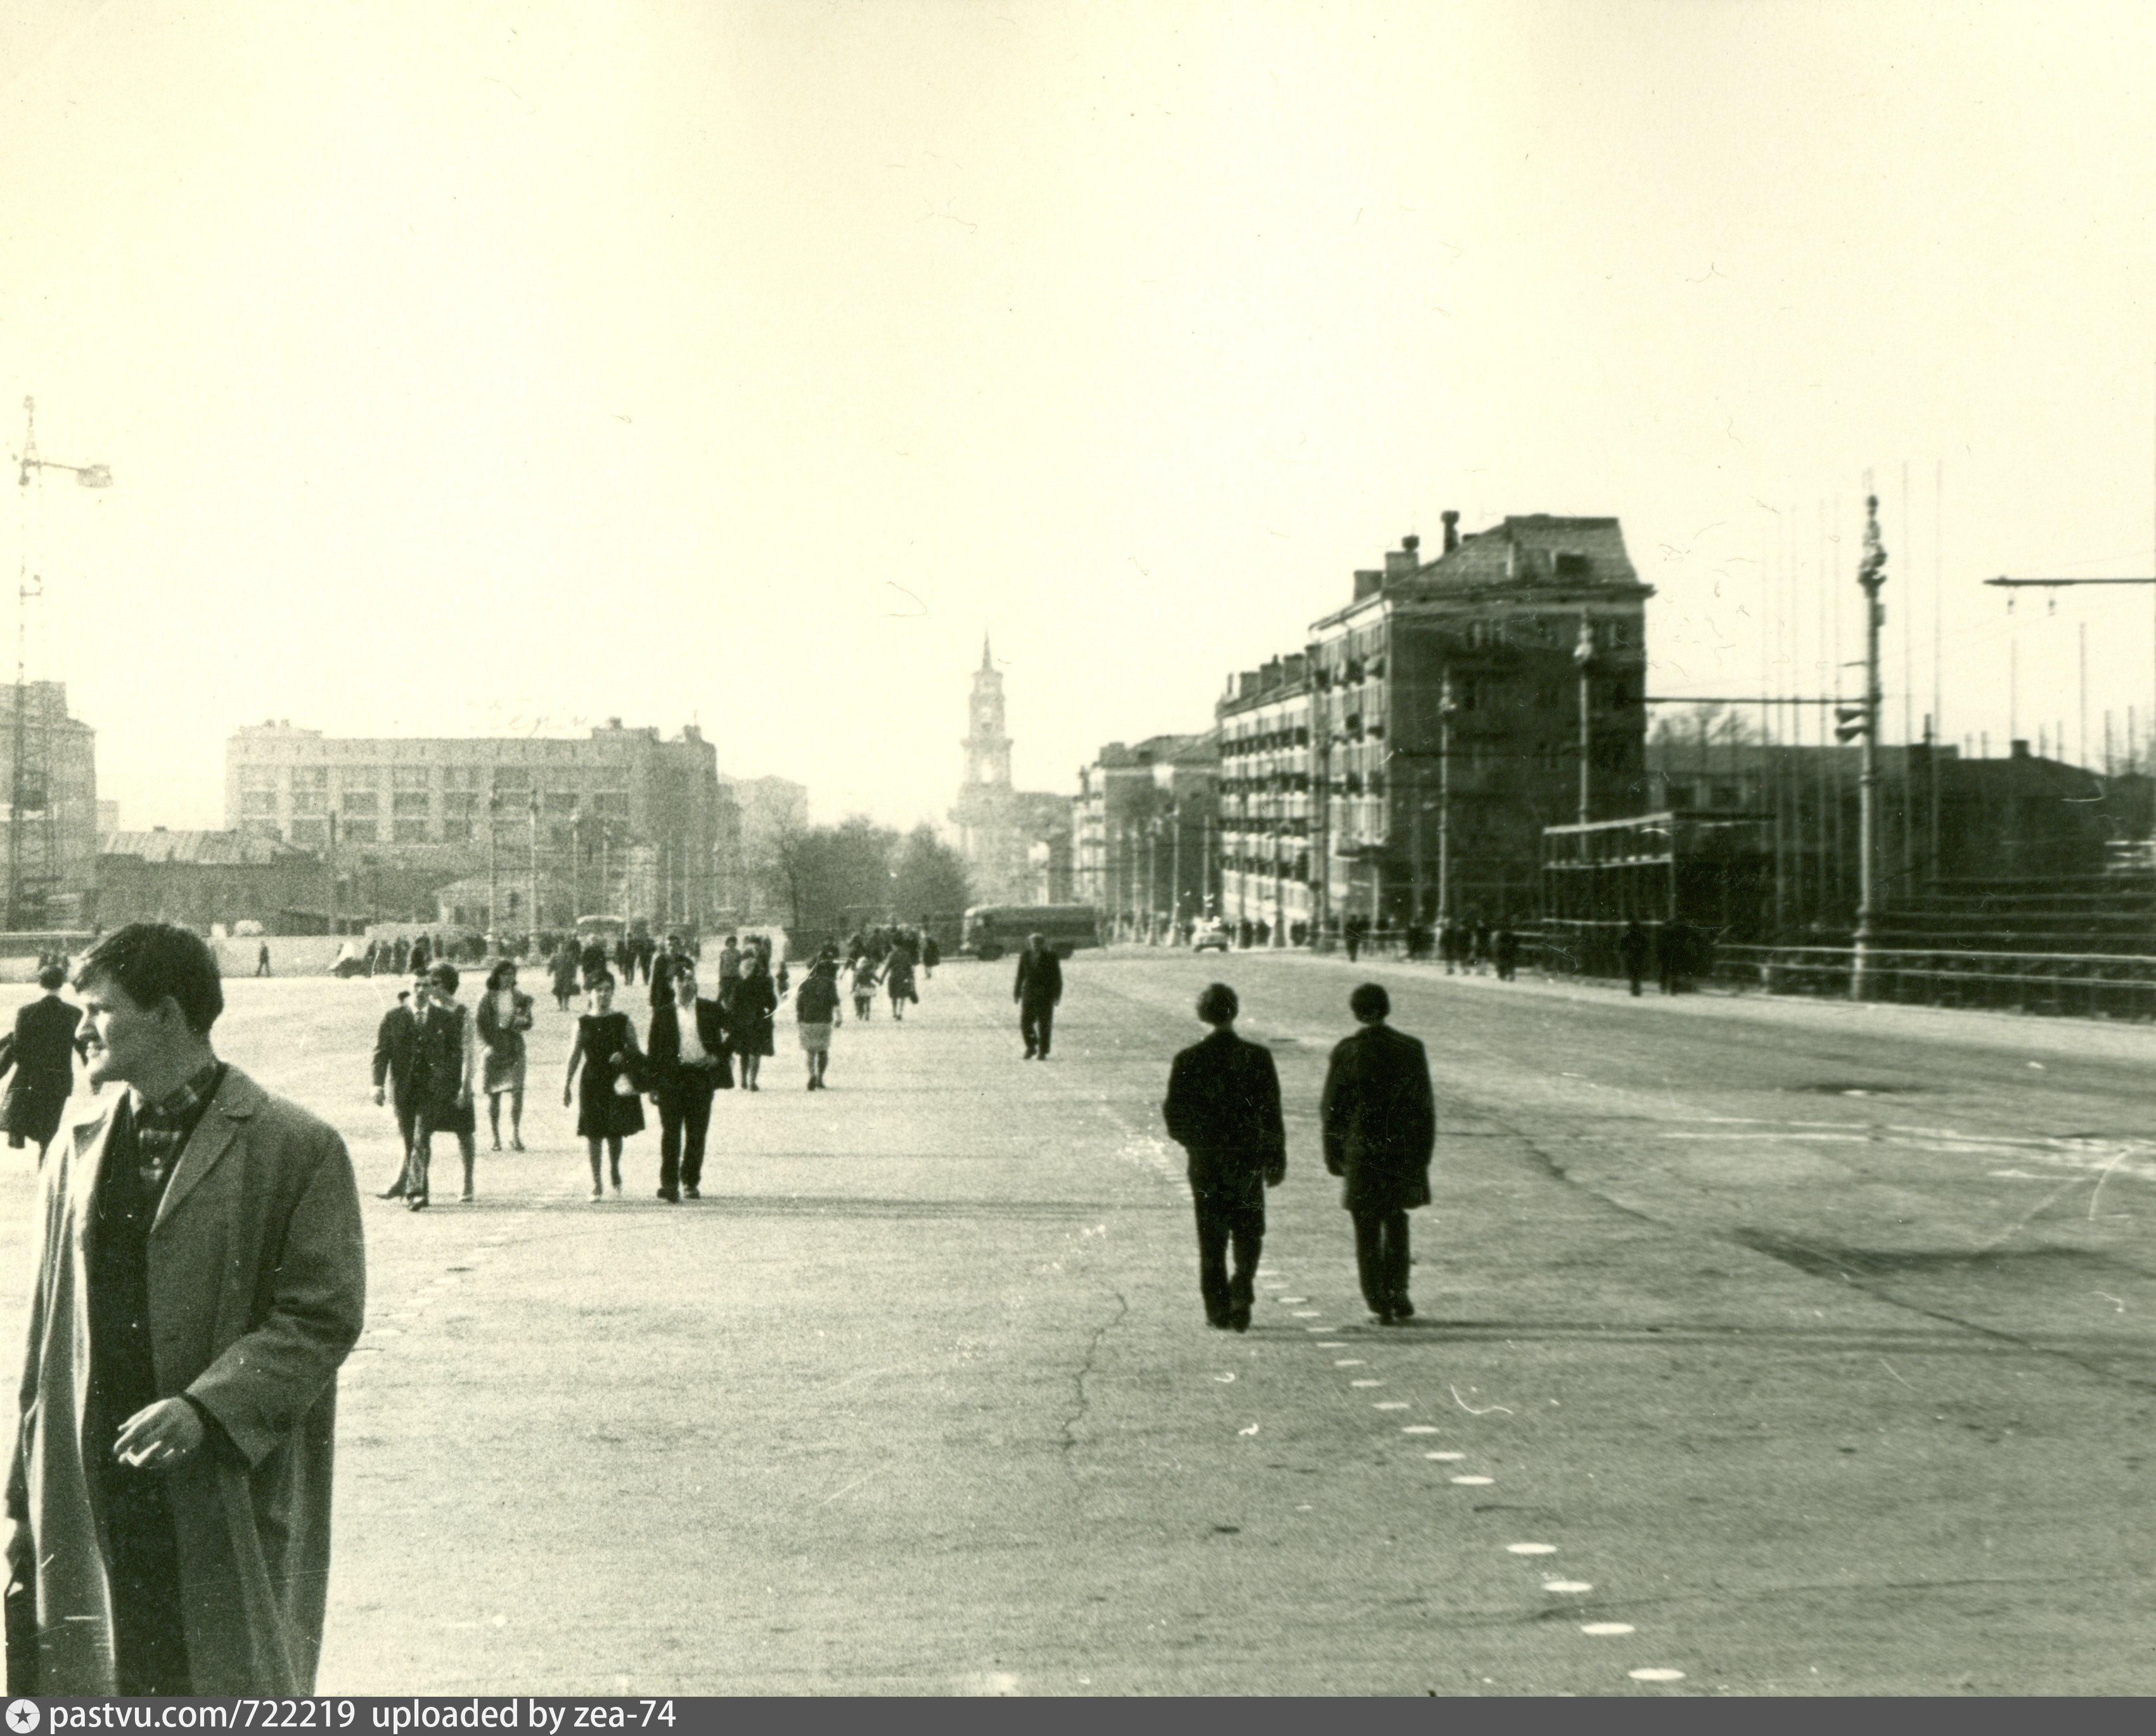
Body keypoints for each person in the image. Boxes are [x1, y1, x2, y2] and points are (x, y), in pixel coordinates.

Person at [4, 922, 364, 1694]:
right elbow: (44, 1338)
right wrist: (19, 1501)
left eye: (101, 1009)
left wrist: (207, 1408)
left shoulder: (297, 1146)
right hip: (94, 1483)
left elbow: (321, 1315)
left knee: (220, 1680)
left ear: (167, 1013)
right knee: (99, 1683)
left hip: (221, 1480)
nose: (82, 1028)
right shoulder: (74, 1149)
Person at [1161, 983, 1286, 1332]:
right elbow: (1271, 1113)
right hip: (1247, 1158)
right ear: (1236, 1012)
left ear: (1202, 1014)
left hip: (1207, 1161)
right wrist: (1276, 1159)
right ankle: (1243, 1284)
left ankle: (1217, 1309)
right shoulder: (1258, 1056)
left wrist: (1194, 1143)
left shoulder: (1188, 1059)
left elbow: (1174, 1114)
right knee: (1249, 1230)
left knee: (1212, 1238)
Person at [1320, 982, 1436, 1325]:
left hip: (1361, 1150)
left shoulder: (1347, 1051)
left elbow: (1332, 1108)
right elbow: (1424, 1107)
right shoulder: (1411, 1048)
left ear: (1356, 1012)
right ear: (1386, 1009)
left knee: (1366, 1225)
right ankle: (1399, 1292)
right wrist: (1423, 1156)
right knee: (1396, 1219)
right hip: (1400, 1148)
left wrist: (1333, 1153)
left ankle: (1378, 1301)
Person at [645, 964, 729, 1201]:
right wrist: (653, 1085)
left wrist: (719, 1056)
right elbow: (653, 1051)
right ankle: (669, 1184)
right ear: (671, 984)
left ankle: (690, 1181)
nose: (686, 984)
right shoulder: (662, 1014)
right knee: (671, 1133)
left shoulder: (710, 1009)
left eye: (690, 979)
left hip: (700, 1078)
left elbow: (738, 1030)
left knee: (696, 1133)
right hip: (671, 1080)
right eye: (680, 980)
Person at [563, 971, 644, 1198]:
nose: (603, 994)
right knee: (593, 1132)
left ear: (613, 992)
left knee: (615, 1132)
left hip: (617, 1080)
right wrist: (566, 1084)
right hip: (592, 1080)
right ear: (590, 993)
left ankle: (615, 1169)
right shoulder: (582, 1023)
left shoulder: (623, 1021)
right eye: (598, 990)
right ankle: (596, 1182)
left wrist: (624, 1056)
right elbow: (574, 1055)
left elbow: (637, 1053)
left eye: (608, 990)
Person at [409, 962, 477, 1208]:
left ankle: (468, 1180)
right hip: (430, 1084)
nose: (428, 988)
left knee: (464, 1133)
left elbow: (469, 1052)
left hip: (455, 1081)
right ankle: (416, 1187)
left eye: (434, 983)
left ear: (446, 985)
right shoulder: (426, 1011)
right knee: (421, 1135)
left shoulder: (462, 1013)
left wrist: (466, 1086)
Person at [0, 964, 82, 1164]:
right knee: (49, 1132)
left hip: (31, 1080)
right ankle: (45, 1169)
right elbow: (83, 1046)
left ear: (40, 983)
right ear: (62, 984)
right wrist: (95, 1078)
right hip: (59, 1080)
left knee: (25, 1120)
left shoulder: (26, 1012)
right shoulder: (74, 1013)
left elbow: (18, 1049)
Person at [369, 980, 425, 1197]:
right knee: (409, 1136)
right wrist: (377, 1084)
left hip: (430, 1088)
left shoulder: (439, 1016)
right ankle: (406, 1184)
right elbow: (381, 1053)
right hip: (403, 1087)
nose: (421, 990)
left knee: (421, 1138)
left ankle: (413, 1188)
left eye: (426, 985)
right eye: (417, 985)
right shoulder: (393, 1017)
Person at [475, 959, 535, 1153]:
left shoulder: (519, 997)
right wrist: (486, 1046)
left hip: (515, 1049)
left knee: (517, 1092)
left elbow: (528, 1022)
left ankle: (515, 1134)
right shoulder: (487, 998)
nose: (508, 978)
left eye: (511, 974)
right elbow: (479, 1025)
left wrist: (524, 1021)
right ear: (496, 976)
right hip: (495, 1050)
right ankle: (496, 1137)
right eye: (504, 974)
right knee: (495, 1096)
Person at [728, 946, 778, 1091]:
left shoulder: (739, 985)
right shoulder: (764, 984)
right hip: (759, 1021)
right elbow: (773, 1003)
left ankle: (743, 1079)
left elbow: (732, 1005)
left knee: (744, 1052)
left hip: (742, 1023)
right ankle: (752, 1081)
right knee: (755, 1052)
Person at [795, 951, 842, 1090]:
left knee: (810, 1052)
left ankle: (812, 1075)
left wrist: (799, 1021)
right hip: (825, 1020)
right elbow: (835, 1001)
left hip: (808, 1020)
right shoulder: (829, 983)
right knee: (823, 1050)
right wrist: (839, 1017)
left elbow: (799, 1005)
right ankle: (820, 1078)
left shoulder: (804, 984)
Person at [1013, 932, 1063, 1059]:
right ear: (1029, 944)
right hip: (1029, 994)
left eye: (1038, 943)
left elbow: (1057, 977)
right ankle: (1031, 1047)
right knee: (1025, 1023)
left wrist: (1057, 995)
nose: (1036, 945)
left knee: (1044, 1024)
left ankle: (1043, 1051)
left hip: (1046, 995)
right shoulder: (1025, 956)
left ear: (1043, 944)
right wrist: (1017, 993)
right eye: (1033, 943)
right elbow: (1020, 976)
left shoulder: (1051, 957)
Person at [884, 944, 917, 1021]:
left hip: (894, 977)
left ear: (895, 945)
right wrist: (912, 978)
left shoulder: (892, 954)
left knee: (894, 996)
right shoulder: (906, 954)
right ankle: (900, 1013)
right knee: (903, 996)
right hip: (904, 978)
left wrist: (882, 979)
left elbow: (887, 967)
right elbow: (910, 968)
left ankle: (894, 1013)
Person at [1618, 919, 1649, 997]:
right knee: (1637, 973)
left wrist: (1624, 954)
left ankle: (1634, 988)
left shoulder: (1626, 937)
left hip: (1630, 957)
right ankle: (1637, 988)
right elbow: (1646, 947)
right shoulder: (1642, 936)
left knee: (1632, 973)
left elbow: (1622, 948)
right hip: (1639, 957)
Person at [849, 952, 880, 1021]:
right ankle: (867, 1014)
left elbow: (855, 982)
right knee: (868, 1001)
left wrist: (852, 989)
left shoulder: (859, 973)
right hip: (869, 988)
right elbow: (876, 978)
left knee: (858, 1000)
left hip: (861, 988)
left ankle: (860, 1012)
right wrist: (880, 981)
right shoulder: (870, 973)